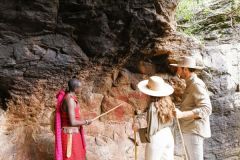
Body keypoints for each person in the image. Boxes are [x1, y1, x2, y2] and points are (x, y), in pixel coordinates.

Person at [170, 56, 212, 160]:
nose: (177, 70)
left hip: (194, 131)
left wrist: (182, 114)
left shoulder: (196, 84)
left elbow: (207, 109)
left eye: (179, 68)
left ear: (185, 69)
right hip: (189, 129)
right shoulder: (190, 83)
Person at [133, 76, 175, 160]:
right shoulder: (168, 102)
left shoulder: (153, 106)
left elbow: (152, 130)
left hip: (157, 139)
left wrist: (138, 130)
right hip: (168, 135)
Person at [60, 78, 92, 160]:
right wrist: (86, 122)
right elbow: (72, 122)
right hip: (70, 135)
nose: (81, 89)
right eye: (80, 87)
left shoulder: (69, 98)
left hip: (73, 134)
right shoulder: (70, 100)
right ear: (75, 89)